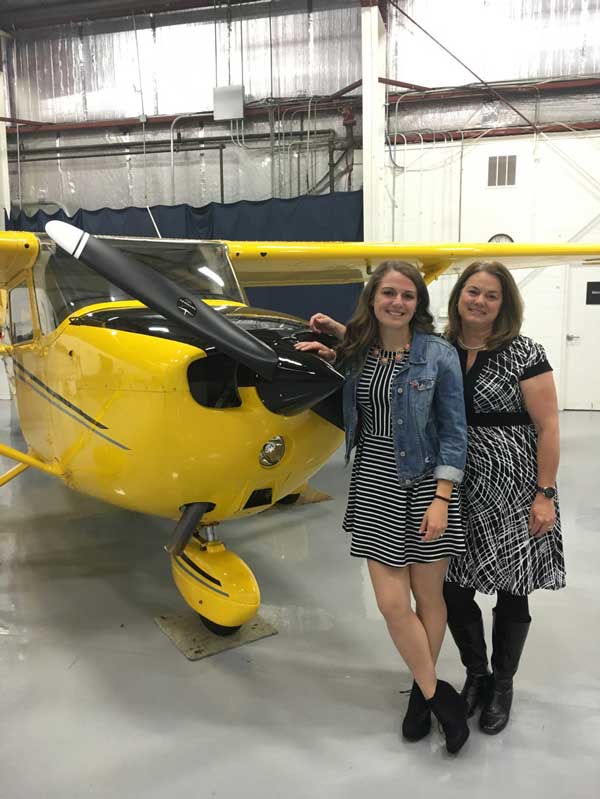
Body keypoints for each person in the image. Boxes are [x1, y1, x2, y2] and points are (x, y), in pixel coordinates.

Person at [295, 261, 470, 754]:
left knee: (427, 599)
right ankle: (440, 697)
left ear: (419, 303)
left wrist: (442, 499)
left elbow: (455, 433)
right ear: (373, 299)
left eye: (408, 295)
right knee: (393, 604)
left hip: (426, 486)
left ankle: (420, 694)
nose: (398, 302)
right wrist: (328, 345)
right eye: (388, 293)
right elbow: (352, 369)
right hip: (374, 484)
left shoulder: (438, 355)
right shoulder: (359, 353)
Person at [442, 261, 565, 735]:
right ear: (458, 296)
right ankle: (477, 674)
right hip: (454, 484)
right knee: (454, 586)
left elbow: (548, 426)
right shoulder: (438, 348)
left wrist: (545, 493)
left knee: (514, 590)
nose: (479, 301)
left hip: (515, 486)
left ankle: (504, 683)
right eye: (473, 291)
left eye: (491, 295)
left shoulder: (525, 352)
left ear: (504, 304)